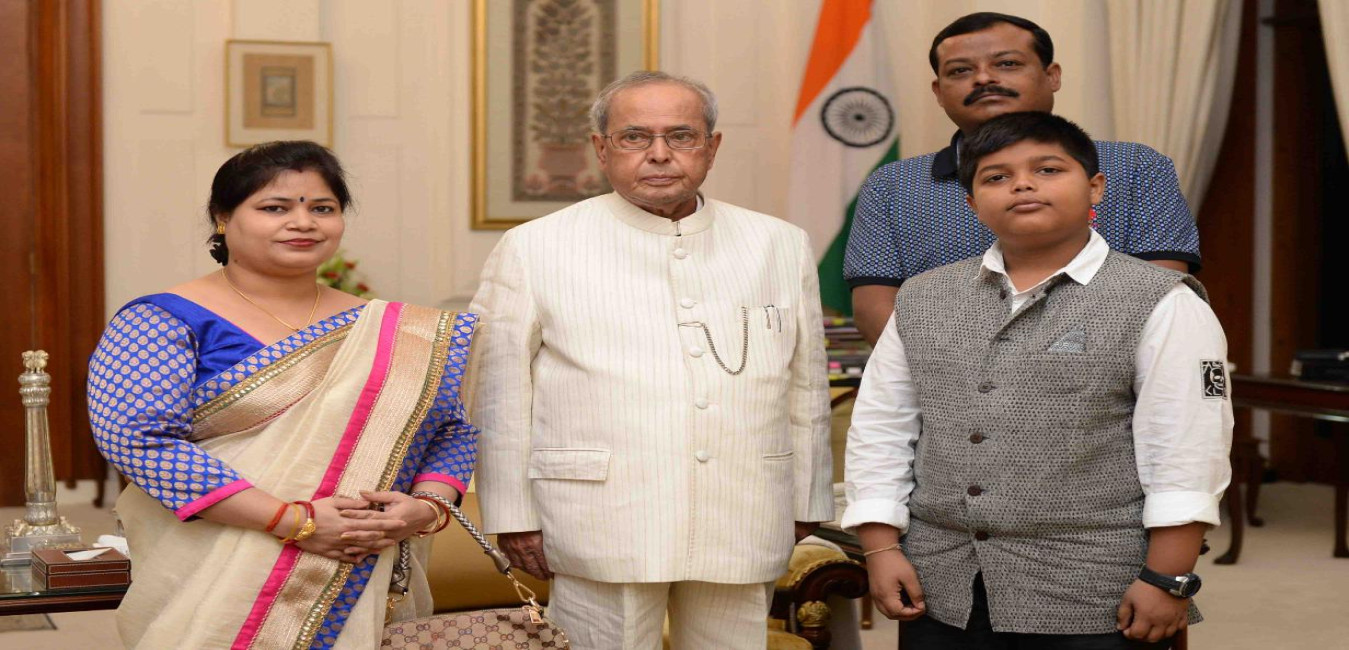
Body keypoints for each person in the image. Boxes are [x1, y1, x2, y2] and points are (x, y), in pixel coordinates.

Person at [470, 71, 834, 650]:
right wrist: (513, 514)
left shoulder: (778, 244)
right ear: (602, 149)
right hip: (600, 517)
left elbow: (805, 384)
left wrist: (808, 496)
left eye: (681, 136)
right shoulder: (535, 246)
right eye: (635, 137)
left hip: (743, 506)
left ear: (712, 147)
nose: (659, 154)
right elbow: (499, 393)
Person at [841, 112, 1232, 649]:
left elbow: (1188, 449)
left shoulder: (1161, 301)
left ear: (1095, 188)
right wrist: (881, 549)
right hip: (941, 582)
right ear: (972, 204)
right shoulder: (921, 297)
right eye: (996, 177)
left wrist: (1168, 577)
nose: (1022, 184)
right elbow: (881, 428)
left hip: (1095, 586)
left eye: (1048, 169)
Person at [87, 141, 479, 649]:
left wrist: (426, 508)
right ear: (223, 218)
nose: (303, 222)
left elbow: (451, 429)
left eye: (323, 208)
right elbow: (139, 441)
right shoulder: (160, 319)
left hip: (360, 562)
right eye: (275, 207)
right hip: (217, 566)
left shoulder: (388, 328)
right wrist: (294, 520)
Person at [844, 12, 1201, 345]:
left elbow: (1158, 291)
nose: (983, 78)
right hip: (943, 382)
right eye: (960, 71)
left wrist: (1057, 363)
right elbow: (875, 306)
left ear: (1052, 76)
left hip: (1101, 378)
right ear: (938, 92)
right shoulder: (892, 185)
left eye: (1007, 64)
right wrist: (957, 369)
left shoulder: (1135, 166)